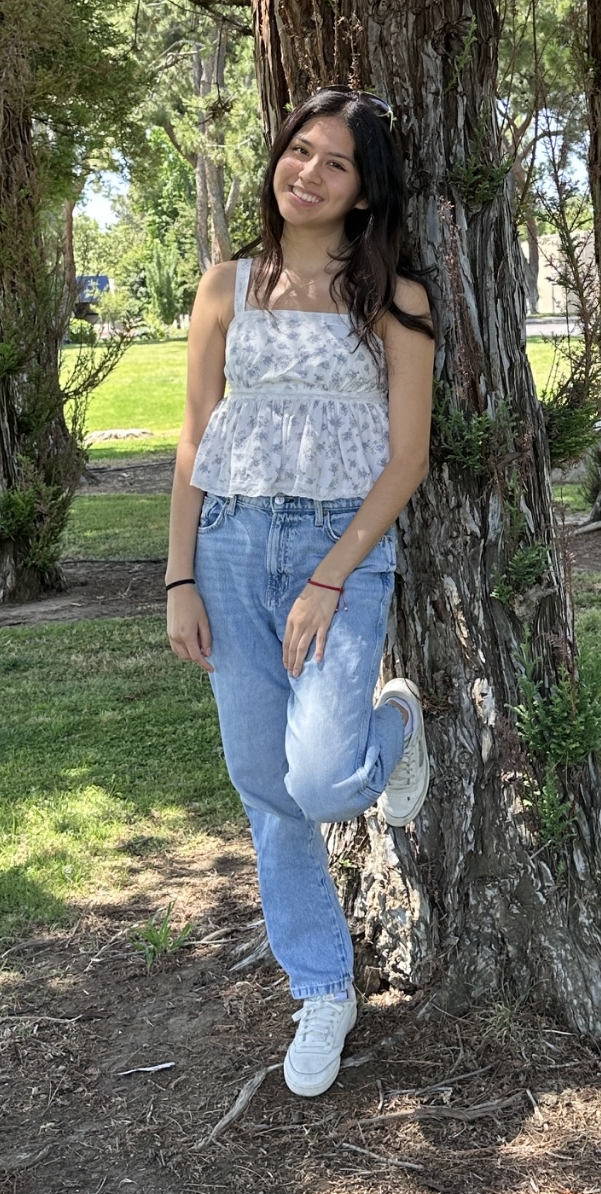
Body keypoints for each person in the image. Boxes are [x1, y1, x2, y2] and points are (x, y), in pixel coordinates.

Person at [166, 87, 435, 1097]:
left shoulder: (395, 301)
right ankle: (322, 985)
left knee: (323, 777)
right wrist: (180, 574)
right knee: (266, 789)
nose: (307, 173)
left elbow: (405, 460)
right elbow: (195, 436)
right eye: (299, 152)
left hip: (341, 547)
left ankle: (395, 727)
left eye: (336, 163)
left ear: (364, 194)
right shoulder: (227, 285)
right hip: (231, 544)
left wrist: (329, 576)